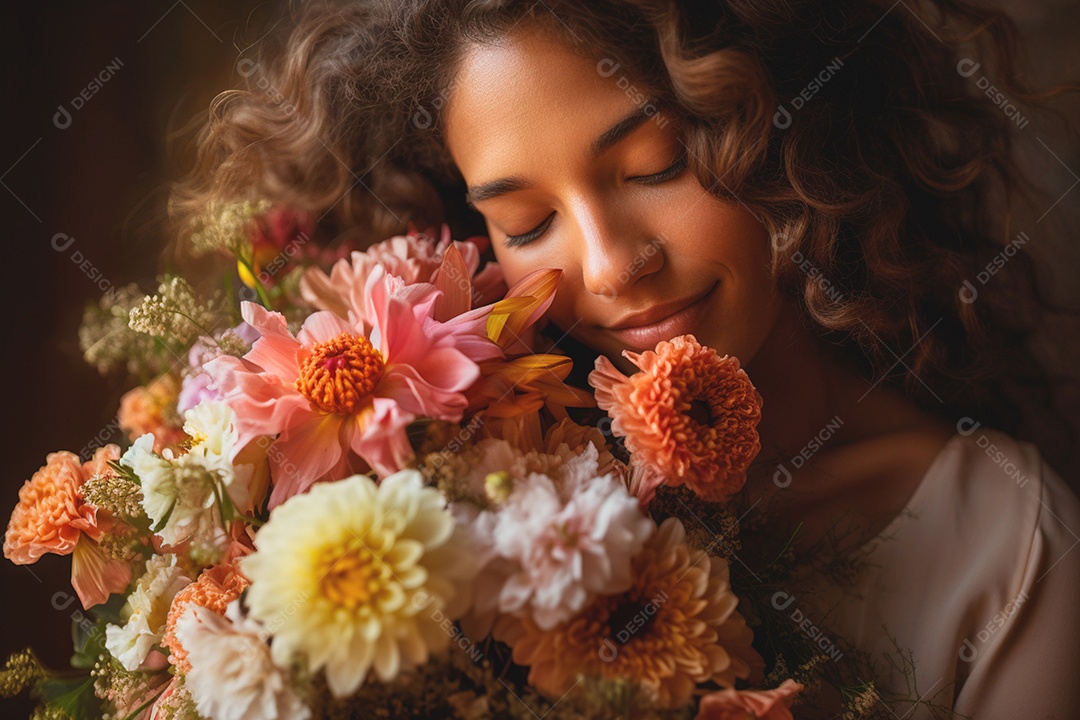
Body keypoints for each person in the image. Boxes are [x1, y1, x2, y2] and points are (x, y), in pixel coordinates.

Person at [172, 1, 1080, 717]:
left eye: (658, 165)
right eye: (529, 222)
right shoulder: (454, 500)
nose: (612, 267)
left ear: (785, 125)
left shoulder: (1009, 551)